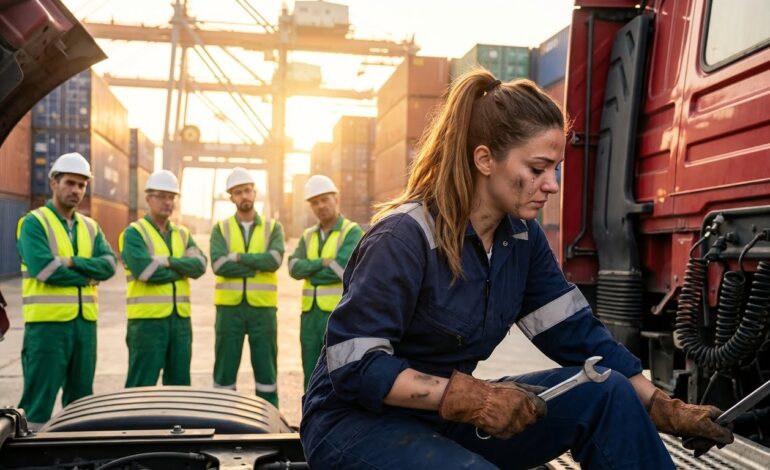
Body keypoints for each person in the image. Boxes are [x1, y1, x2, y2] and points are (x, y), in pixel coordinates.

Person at [299, 72, 734, 469]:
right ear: (485, 160)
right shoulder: (403, 238)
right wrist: (471, 399)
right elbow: (354, 366)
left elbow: (578, 334)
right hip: (354, 424)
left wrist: (661, 406)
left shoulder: (520, 240)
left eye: (556, 169)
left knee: (607, 392)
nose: (553, 185)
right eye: (537, 169)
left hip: (442, 415)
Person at [16, 152, 117, 428]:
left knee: (82, 402)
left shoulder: (91, 227)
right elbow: (44, 269)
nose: (76, 190)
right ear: (53, 182)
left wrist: (72, 261)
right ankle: (31, 458)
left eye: (81, 185)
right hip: (48, 328)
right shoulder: (34, 222)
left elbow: (109, 266)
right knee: (38, 402)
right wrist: (87, 275)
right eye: (70, 183)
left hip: (85, 326)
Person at [119, 169, 206, 387]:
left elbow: (200, 265)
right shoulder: (134, 233)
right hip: (147, 322)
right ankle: (134, 422)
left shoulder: (182, 233)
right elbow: (145, 272)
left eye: (171, 197)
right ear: (148, 198)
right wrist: (181, 268)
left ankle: (176, 422)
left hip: (180, 322)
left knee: (179, 386)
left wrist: (166, 261)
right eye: (162, 196)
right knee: (141, 385)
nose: (167, 202)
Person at [209, 167, 285, 407]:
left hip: (263, 310)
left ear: (255, 192)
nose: (244, 196)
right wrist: (255, 264)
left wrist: (238, 258)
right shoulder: (220, 229)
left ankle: (269, 417)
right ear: (231, 197)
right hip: (228, 310)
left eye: (247, 190)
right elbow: (219, 265)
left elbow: (273, 261)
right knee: (224, 371)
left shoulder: (274, 228)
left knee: (266, 372)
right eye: (238, 192)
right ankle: (223, 419)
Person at [288, 175, 364, 389]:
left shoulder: (352, 232)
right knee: (309, 374)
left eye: (324, 199)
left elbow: (341, 270)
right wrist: (324, 262)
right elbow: (293, 268)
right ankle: (309, 420)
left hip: (338, 314)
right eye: (314, 202)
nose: (320, 205)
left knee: (337, 375)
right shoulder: (307, 236)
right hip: (309, 317)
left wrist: (310, 268)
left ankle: (334, 422)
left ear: (336, 198)